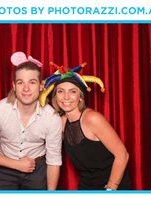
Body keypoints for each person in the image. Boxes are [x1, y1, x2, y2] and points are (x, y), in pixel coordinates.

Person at [0, 52, 62, 190]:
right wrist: (16, 164)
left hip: (38, 168)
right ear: (14, 86)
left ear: (41, 86)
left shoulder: (51, 117)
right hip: (4, 166)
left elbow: (54, 160)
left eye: (32, 82)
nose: (26, 88)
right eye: (20, 82)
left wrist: (50, 196)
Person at [41, 63, 131, 191]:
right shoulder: (62, 122)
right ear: (55, 97)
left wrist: (111, 189)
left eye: (72, 91)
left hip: (112, 185)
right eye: (61, 91)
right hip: (87, 187)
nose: (66, 97)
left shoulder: (92, 119)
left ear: (80, 97)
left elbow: (122, 155)